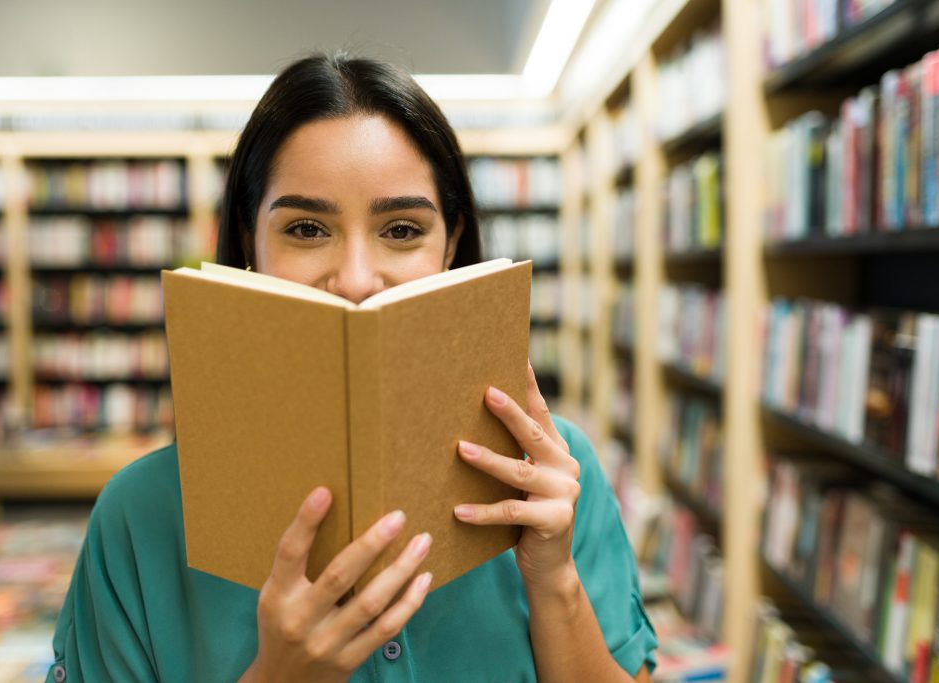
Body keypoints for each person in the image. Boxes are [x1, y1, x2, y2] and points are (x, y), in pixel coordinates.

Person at [47, 53, 657, 683]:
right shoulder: (140, 515)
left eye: (401, 229)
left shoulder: (553, 479)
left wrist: (554, 581)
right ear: (249, 242)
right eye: (307, 228)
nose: (357, 280)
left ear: (450, 247)